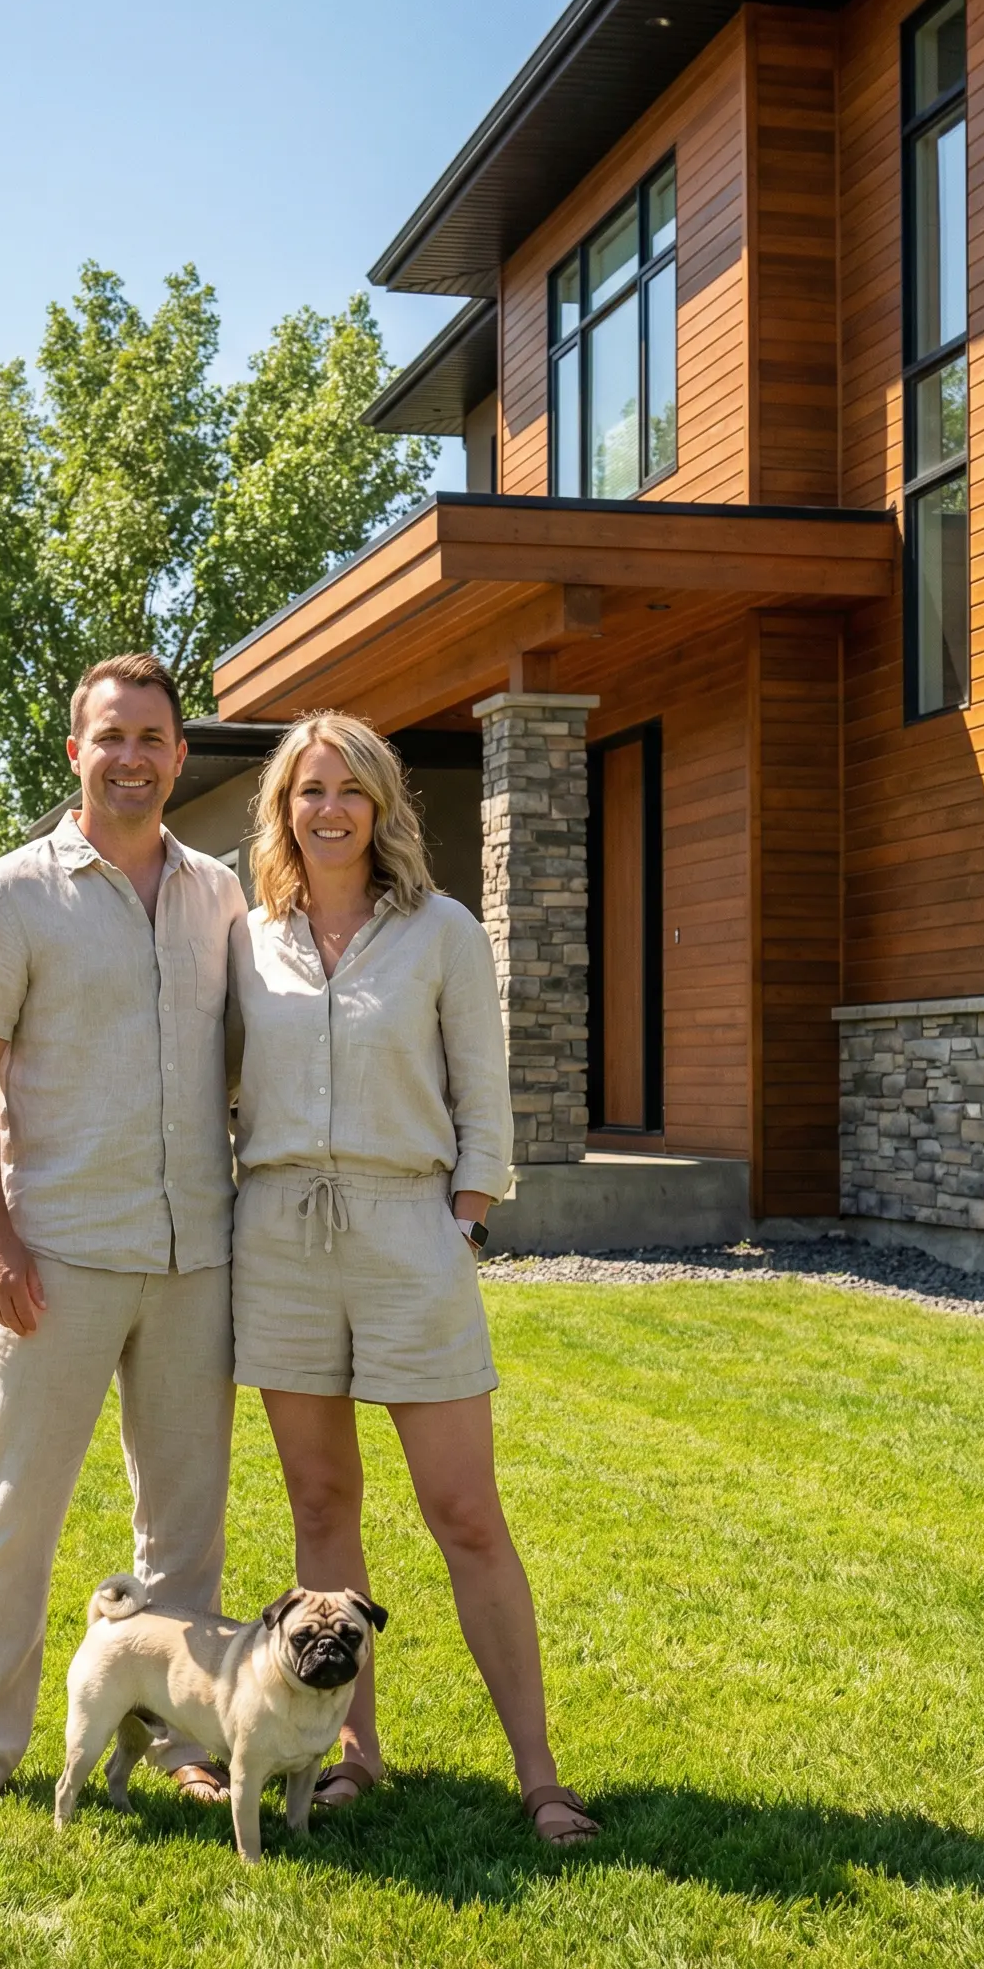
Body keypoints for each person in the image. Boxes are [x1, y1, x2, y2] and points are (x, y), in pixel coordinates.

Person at [226, 712, 598, 1847]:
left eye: (347, 788)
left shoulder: (441, 931)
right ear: (281, 810)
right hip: (280, 1236)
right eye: (305, 790)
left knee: (464, 1513)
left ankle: (538, 1775)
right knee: (321, 1509)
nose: (326, 808)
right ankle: (352, 1752)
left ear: (380, 804)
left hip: (408, 1230)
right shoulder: (248, 938)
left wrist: (464, 1221)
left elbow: (484, 1098)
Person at [0, 653, 246, 1832]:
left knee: (185, 1524)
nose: (131, 757)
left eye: (152, 738)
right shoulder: (9, 894)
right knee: (12, 1509)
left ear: (179, 755)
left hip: (193, 1255)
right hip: (52, 1257)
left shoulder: (217, 893)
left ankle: (174, 1737)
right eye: (109, 736)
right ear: (75, 751)